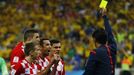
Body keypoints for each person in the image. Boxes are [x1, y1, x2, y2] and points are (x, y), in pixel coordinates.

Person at [83, 9, 117, 75]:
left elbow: (88, 72)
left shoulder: (95, 53)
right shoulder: (113, 48)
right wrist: (105, 17)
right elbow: (110, 33)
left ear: (95, 40)